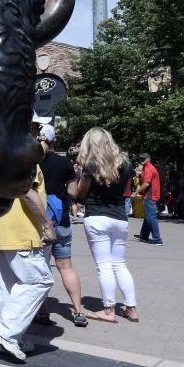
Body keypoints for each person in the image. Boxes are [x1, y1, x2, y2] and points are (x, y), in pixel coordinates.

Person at [0, 160, 56, 363]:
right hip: (23, 232)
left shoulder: (2, 155)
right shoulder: (26, 155)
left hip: (3, 230)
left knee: (9, 287)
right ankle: (7, 332)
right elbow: (27, 191)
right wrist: (47, 224)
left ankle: (9, 339)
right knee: (40, 281)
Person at [76, 127, 139, 323]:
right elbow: (126, 191)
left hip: (96, 217)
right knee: (119, 264)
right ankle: (131, 308)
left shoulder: (90, 165)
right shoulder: (126, 163)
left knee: (104, 265)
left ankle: (109, 310)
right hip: (120, 217)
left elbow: (81, 193)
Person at [36, 124, 88, 327]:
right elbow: (74, 193)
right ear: (53, 141)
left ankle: (43, 312)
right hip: (62, 220)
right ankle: (78, 311)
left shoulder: (31, 163)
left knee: (41, 268)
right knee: (66, 266)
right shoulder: (65, 163)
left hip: (39, 222)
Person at [133, 153, 163, 246]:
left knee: (151, 218)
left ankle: (158, 240)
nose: (141, 160)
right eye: (140, 159)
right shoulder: (148, 167)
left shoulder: (148, 168)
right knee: (148, 216)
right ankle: (144, 235)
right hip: (151, 195)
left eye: (143, 159)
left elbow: (146, 184)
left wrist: (135, 192)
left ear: (148, 159)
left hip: (150, 196)